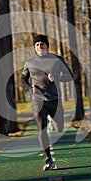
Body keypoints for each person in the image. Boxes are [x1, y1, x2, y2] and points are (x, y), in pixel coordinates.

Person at [21, 34, 73, 171]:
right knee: (41, 128)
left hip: (54, 99)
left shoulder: (57, 60)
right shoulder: (30, 62)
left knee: (59, 128)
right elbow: (23, 80)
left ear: (47, 46)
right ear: (34, 47)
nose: (40, 46)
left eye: (42, 44)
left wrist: (56, 78)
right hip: (38, 100)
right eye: (37, 44)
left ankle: (53, 120)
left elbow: (69, 76)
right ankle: (49, 159)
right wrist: (29, 88)